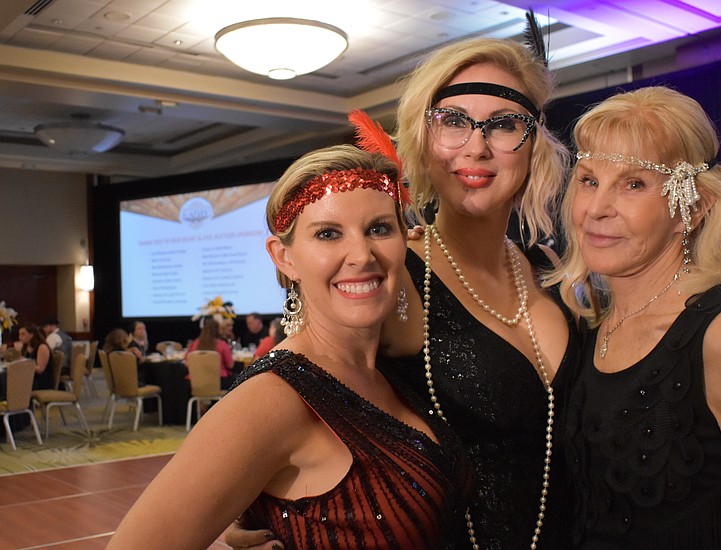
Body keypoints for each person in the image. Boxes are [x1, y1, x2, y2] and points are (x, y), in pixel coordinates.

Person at [227, 35, 578, 550]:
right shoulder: (390, 278)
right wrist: (259, 504)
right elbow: (288, 387)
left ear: (532, 144)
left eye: (504, 124)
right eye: (454, 122)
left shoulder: (548, 272)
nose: (476, 146)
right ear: (422, 138)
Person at [108, 143, 469, 549]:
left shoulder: (392, 370)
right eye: (328, 234)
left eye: (379, 229)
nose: (361, 255)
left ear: (405, 239)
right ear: (284, 257)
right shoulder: (272, 399)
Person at [549, 86, 721, 547]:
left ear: (692, 210)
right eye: (589, 180)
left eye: (633, 184)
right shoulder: (591, 325)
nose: (596, 209)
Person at [186, 317, 236, 389]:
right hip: (218, 381)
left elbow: (187, 363)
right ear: (218, 330)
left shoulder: (194, 344)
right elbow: (230, 365)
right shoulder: (222, 345)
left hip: (196, 382)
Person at [17, 323, 52, 390]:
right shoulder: (25, 347)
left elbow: (40, 369)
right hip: (29, 377)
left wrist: (25, 364)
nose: (20, 337)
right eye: (19, 334)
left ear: (32, 335)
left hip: (40, 380)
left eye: (23, 334)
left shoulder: (42, 347)